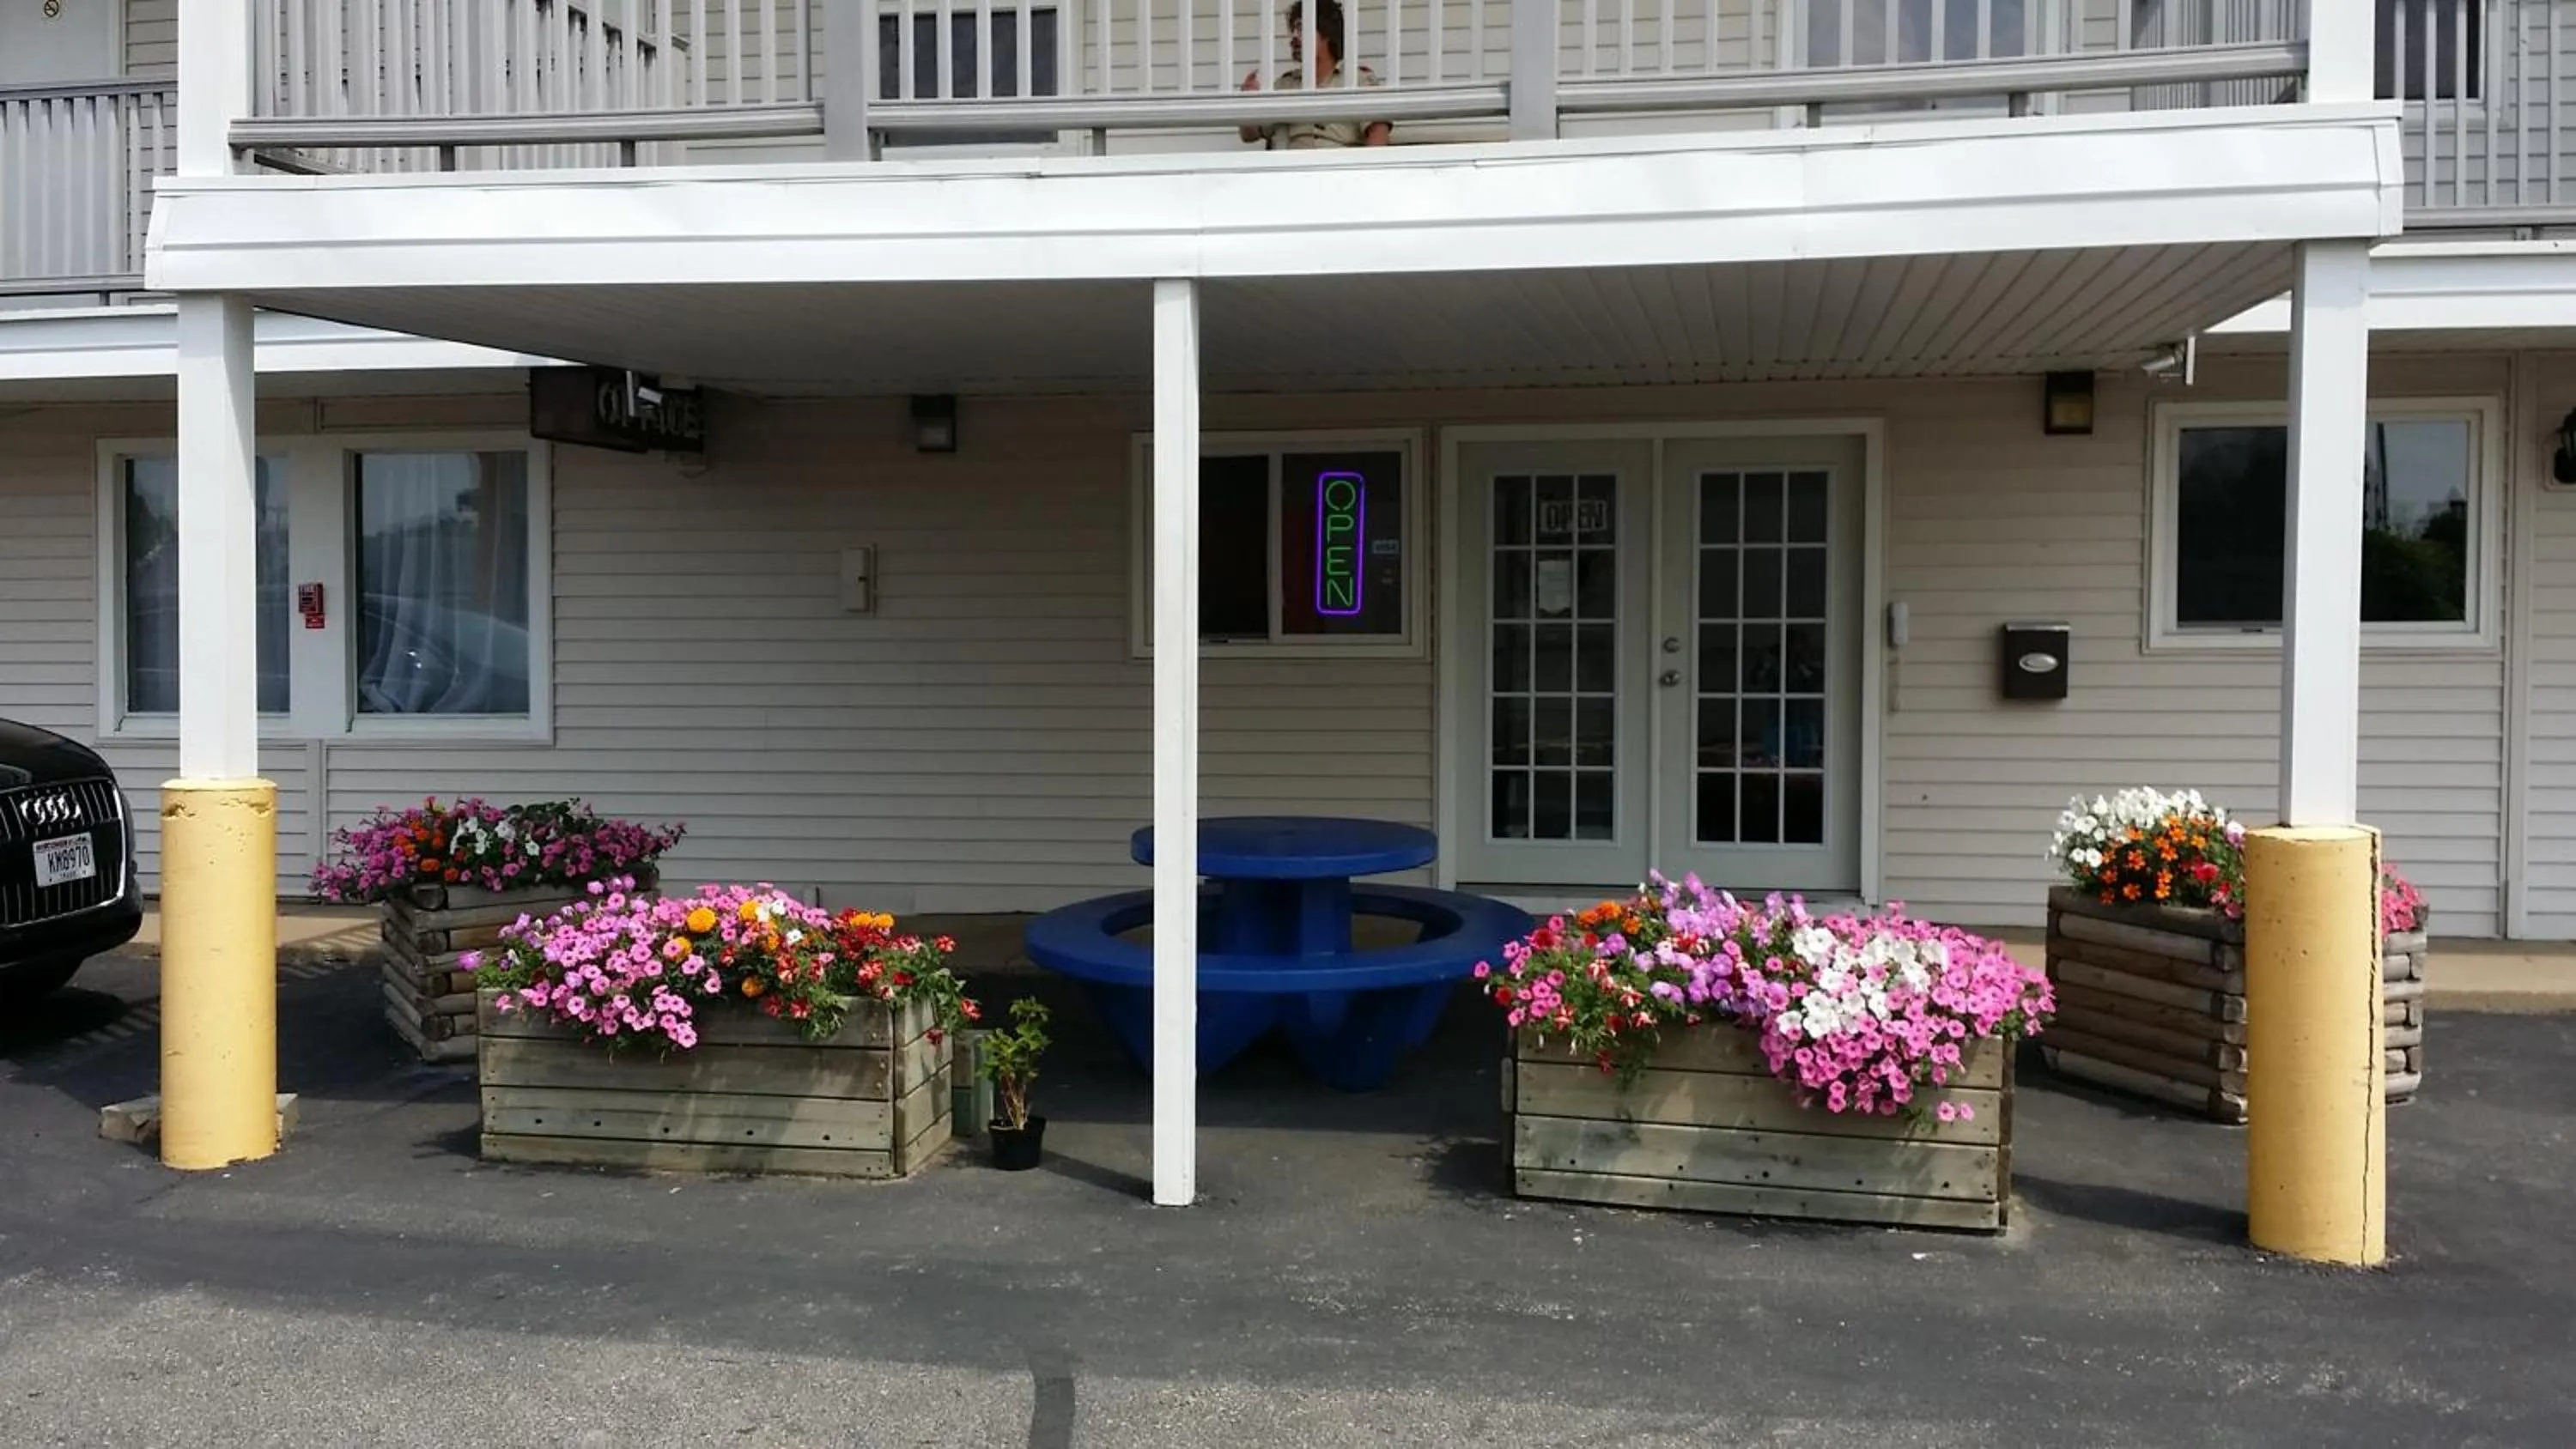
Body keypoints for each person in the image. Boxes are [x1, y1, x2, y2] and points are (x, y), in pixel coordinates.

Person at [1237, 0, 1393, 151]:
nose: (1294, 36)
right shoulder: (1286, 85)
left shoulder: (1358, 80)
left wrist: (1363, 168)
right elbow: (1249, 135)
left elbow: (1378, 132)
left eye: (1301, 28)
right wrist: (1249, 103)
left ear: (1327, 33)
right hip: (1293, 165)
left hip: (1338, 163)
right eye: (1293, 30)